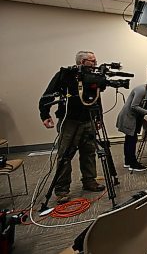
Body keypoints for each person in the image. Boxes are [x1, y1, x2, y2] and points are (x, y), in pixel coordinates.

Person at [39, 51, 105, 204]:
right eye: (92, 61)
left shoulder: (93, 77)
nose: (95, 63)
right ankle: (62, 190)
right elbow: (47, 95)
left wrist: (98, 118)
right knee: (65, 156)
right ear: (82, 62)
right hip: (69, 121)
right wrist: (45, 115)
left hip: (88, 119)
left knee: (89, 152)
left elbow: (97, 98)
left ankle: (89, 181)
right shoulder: (65, 75)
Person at [116, 77, 147, 171]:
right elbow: (134, 106)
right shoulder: (141, 90)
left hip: (134, 118)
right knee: (131, 140)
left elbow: (145, 104)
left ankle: (128, 161)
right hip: (129, 117)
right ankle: (132, 164)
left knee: (130, 139)